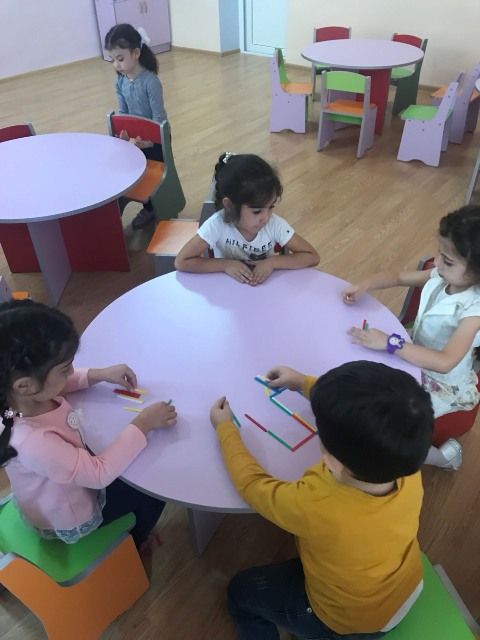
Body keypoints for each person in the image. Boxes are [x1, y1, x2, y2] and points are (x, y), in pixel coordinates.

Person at [210, 361, 433, 639]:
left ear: (332, 463)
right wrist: (302, 382)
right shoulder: (403, 460)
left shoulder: (315, 505)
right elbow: (367, 414)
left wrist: (225, 429)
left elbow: (253, 486)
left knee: (240, 592)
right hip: (403, 589)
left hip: (346, 622)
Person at [0, 300, 177, 548]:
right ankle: (138, 540)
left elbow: (60, 386)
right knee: (153, 492)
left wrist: (98, 374)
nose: (72, 371)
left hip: (61, 483)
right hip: (72, 512)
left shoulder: (17, 397)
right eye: (65, 368)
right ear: (24, 385)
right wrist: (143, 423)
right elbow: (98, 475)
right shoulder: (31, 442)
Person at [342, 205, 480, 471]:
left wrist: (390, 343)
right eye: (440, 254)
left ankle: (443, 458)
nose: (436, 263)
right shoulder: (441, 275)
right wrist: (366, 284)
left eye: (448, 260)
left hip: (441, 383)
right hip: (412, 353)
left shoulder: (474, 309)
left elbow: (445, 362)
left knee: (388, 431)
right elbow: (397, 276)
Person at [175, 153, 320, 285]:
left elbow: (312, 256)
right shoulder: (216, 224)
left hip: (264, 290)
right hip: (228, 290)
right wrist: (225, 265)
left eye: (271, 207)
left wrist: (272, 262)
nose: (266, 217)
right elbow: (182, 261)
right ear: (230, 205)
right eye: (257, 211)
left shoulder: (274, 224)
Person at [105, 23, 167, 230]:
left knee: (150, 174)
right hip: (135, 138)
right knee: (122, 166)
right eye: (113, 60)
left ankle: (151, 208)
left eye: (120, 59)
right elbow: (123, 112)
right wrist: (124, 136)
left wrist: (148, 142)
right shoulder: (120, 82)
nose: (116, 64)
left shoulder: (151, 82)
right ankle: (119, 200)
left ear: (136, 53)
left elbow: (159, 119)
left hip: (155, 141)